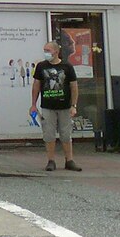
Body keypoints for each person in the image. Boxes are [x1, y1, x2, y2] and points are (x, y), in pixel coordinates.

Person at [29, 40, 82, 171]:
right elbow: (36, 85)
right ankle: (51, 160)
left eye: (48, 50)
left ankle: (69, 160)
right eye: (45, 50)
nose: (46, 53)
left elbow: (74, 86)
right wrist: (33, 104)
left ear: (56, 52)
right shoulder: (41, 66)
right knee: (49, 134)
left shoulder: (67, 67)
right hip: (48, 106)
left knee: (66, 134)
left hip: (64, 106)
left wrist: (73, 105)